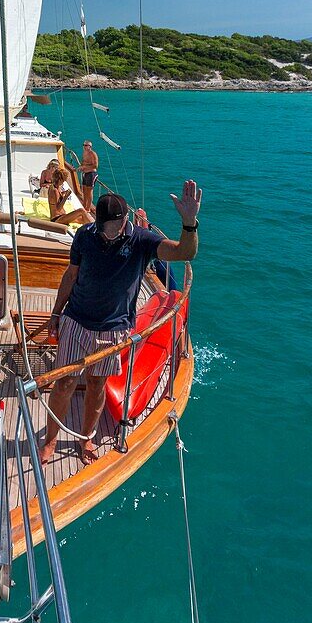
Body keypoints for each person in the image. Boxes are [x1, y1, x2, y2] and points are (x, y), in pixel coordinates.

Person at [40, 180, 201, 466]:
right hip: (76, 320)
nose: (110, 233)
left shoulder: (142, 241)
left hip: (113, 329)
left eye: (115, 227)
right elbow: (70, 276)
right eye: (105, 227)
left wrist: (189, 223)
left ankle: (86, 436)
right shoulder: (85, 235)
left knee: (96, 384)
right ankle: (50, 439)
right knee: (64, 383)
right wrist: (56, 313)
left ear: (125, 219)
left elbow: (184, 253)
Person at [76, 140, 99, 212]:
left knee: (89, 191)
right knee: (84, 190)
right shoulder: (84, 153)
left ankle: (88, 208)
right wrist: (80, 167)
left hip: (91, 174)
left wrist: (84, 167)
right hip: (85, 173)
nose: (84, 146)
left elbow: (95, 165)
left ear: (90, 147)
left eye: (86, 145)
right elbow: (83, 162)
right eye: (84, 145)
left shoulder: (93, 154)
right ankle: (84, 205)